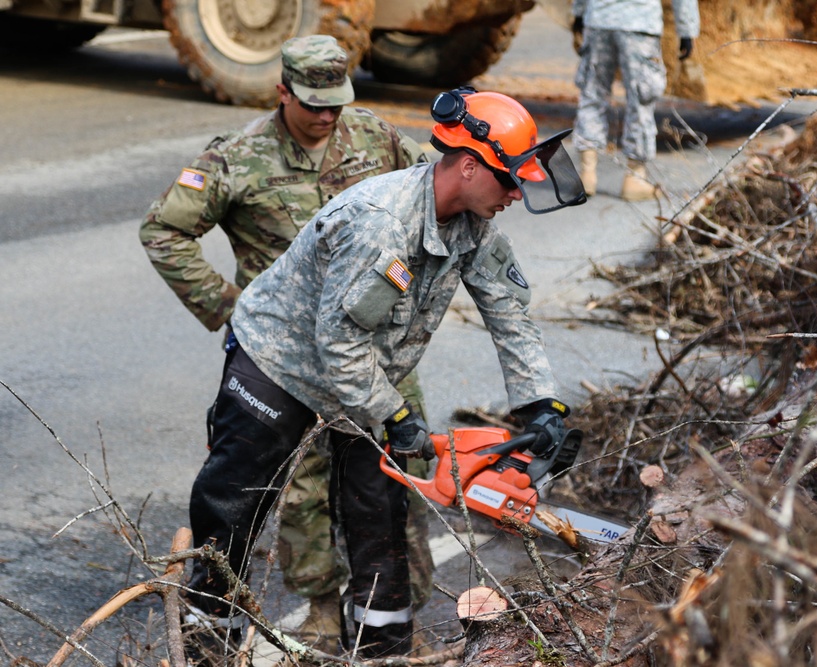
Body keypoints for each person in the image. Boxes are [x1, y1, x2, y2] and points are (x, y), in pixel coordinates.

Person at [185, 88, 586, 658]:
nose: (518, 194)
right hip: (279, 363)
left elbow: (511, 315)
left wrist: (541, 405)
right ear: (469, 166)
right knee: (234, 506)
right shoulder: (381, 225)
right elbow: (339, 344)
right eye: (509, 179)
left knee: (379, 512)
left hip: (361, 381)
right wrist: (395, 416)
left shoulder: (473, 226)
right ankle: (205, 641)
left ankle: (382, 648)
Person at [138, 34, 433, 653]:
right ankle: (322, 608)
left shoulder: (376, 137)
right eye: (313, 104)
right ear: (282, 92)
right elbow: (164, 230)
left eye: (336, 103)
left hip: (373, 356)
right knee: (300, 489)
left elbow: (437, 196)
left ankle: (393, 620)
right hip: (288, 360)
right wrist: (228, 307)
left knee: (394, 478)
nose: (326, 116)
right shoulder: (239, 158)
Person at [571, 0, 700, 200]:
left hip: (598, 20)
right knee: (640, 99)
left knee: (592, 93)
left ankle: (587, 173)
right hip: (639, 23)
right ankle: (635, 176)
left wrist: (578, 13)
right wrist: (687, 30)